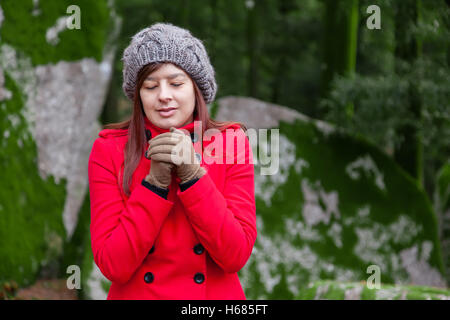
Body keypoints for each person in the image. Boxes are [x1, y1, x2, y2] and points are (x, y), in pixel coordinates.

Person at [88, 22, 257, 300]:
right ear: (138, 96)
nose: (164, 95)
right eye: (150, 86)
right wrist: (154, 184)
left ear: (196, 88)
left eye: (176, 83)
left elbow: (235, 255)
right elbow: (112, 264)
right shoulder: (109, 150)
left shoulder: (230, 143)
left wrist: (193, 176)